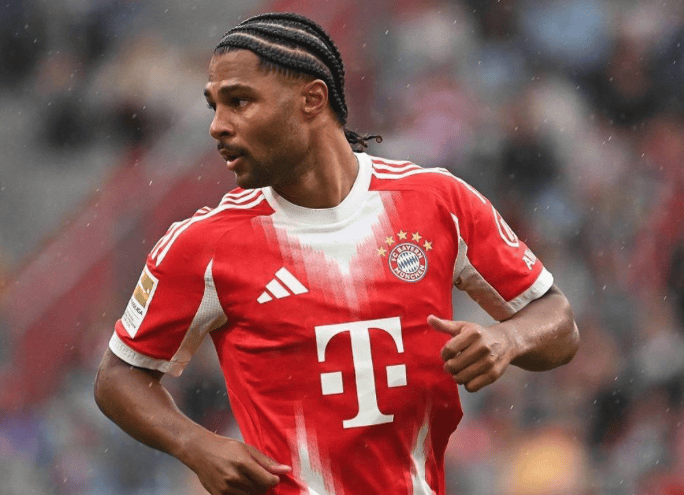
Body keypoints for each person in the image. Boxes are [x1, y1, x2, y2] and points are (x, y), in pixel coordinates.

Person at [94, 12, 580, 495]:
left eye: (239, 101)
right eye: (214, 106)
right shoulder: (202, 244)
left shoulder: (436, 201)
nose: (218, 126)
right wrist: (197, 446)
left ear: (312, 100)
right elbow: (119, 376)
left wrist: (508, 339)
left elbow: (558, 323)